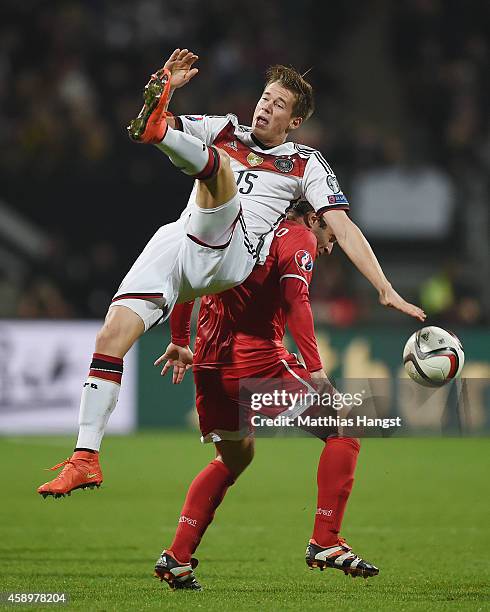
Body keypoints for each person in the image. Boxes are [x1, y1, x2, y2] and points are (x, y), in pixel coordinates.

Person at [38, 49, 424, 498]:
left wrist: (384, 287)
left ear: (294, 122)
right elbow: (191, 133)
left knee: (216, 169)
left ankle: (155, 128)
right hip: (182, 243)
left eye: (279, 105)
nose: (265, 107)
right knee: (111, 337)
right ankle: (85, 458)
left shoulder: (305, 164)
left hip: (234, 254)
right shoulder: (225, 128)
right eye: (265, 97)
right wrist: (181, 339)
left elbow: (342, 225)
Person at [152, 202, 378, 590]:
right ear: (314, 217)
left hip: (208, 362)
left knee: (235, 456)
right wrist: (316, 369)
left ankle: (177, 557)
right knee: (344, 428)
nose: (328, 247)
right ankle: (326, 540)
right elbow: (296, 301)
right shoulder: (298, 236)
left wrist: (178, 339)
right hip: (255, 358)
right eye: (332, 236)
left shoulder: (232, 228)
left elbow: (189, 276)